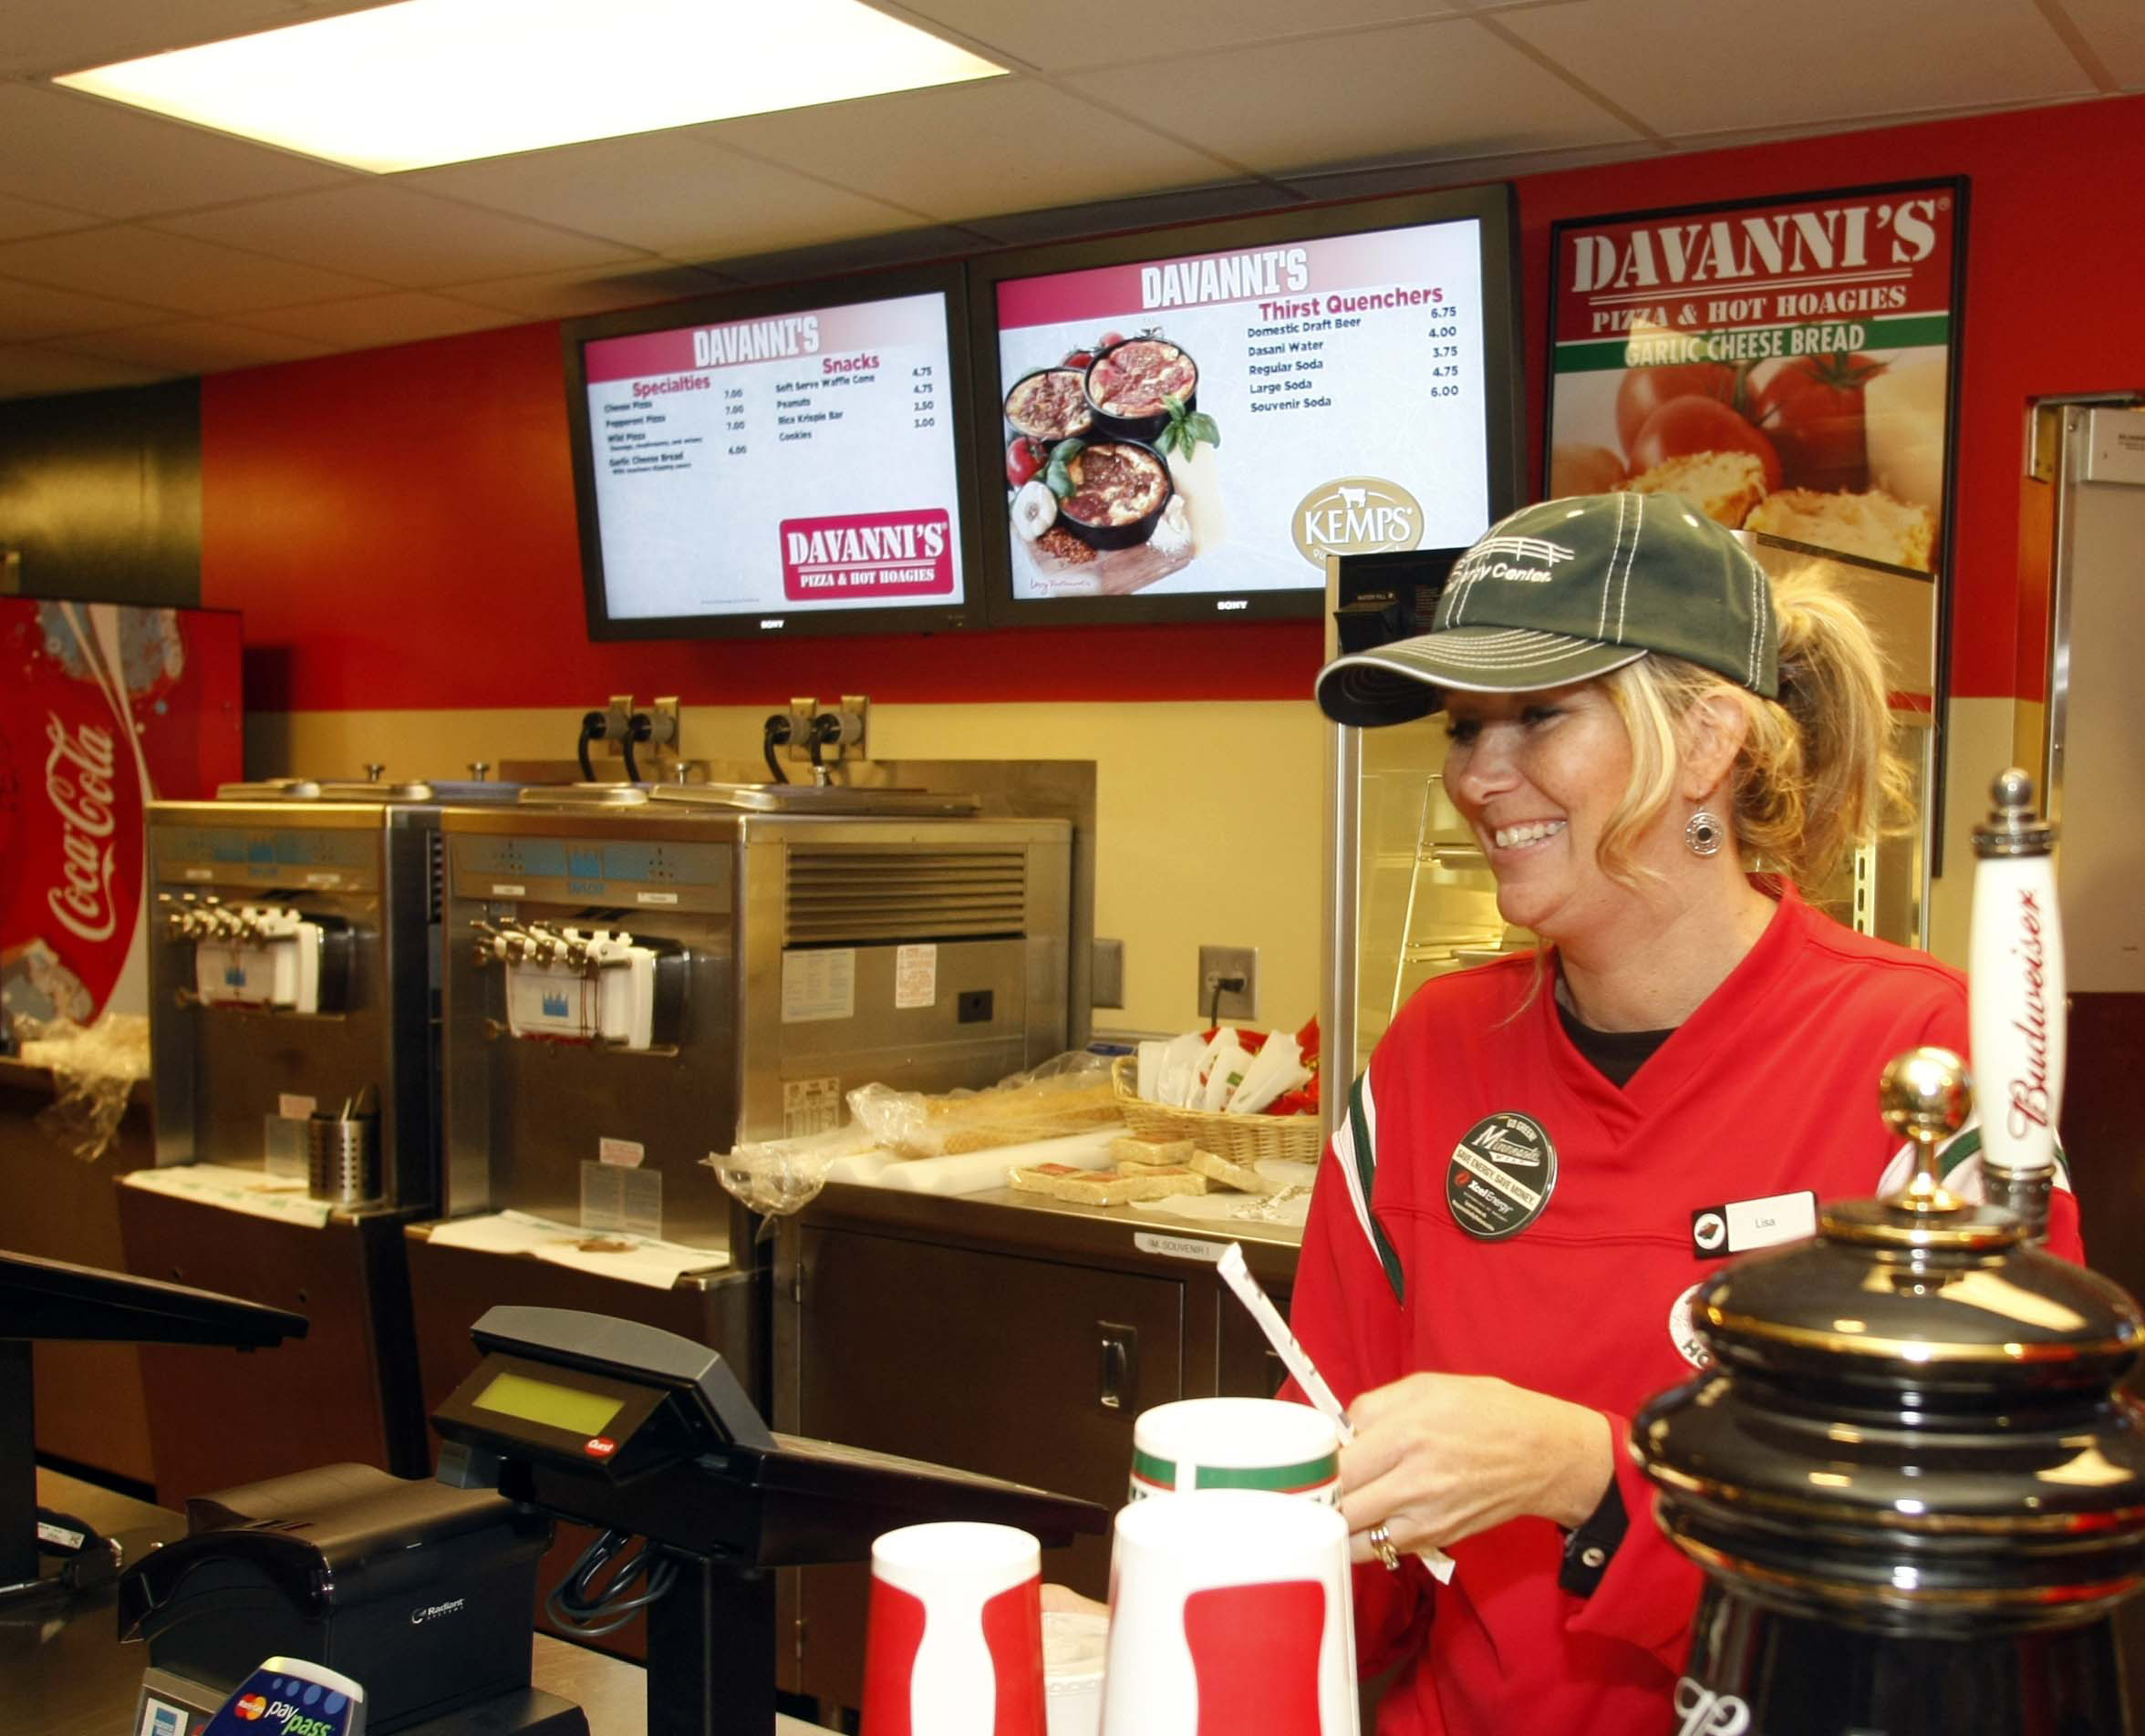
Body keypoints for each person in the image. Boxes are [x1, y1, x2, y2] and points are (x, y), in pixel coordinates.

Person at [1298, 491, 2081, 1736]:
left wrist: (1592, 1479)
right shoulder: (1434, 1054)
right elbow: (1339, 1528)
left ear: (1709, 739)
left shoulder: (1925, 1061)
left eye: (1539, 715)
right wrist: (1195, 1603)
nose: (1478, 778)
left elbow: (1978, 1552)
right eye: (1461, 729)